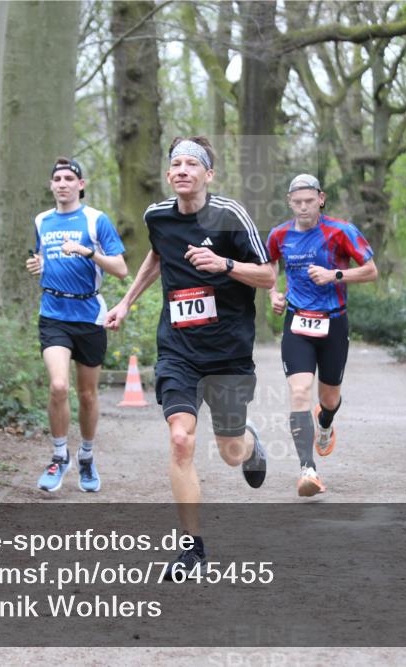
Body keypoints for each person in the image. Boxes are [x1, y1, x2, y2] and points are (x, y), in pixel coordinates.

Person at [105, 136, 274, 578]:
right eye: (174, 164)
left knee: (231, 451)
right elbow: (156, 258)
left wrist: (225, 266)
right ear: (168, 175)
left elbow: (269, 274)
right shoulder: (156, 216)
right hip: (179, 349)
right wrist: (126, 302)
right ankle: (192, 550)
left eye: (191, 163)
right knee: (181, 439)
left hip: (229, 351)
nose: (181, 170)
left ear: (208, 174)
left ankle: (251, 445)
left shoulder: (230, 216)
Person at [266, 174, 378, 497]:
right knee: (299, 391)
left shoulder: (340, 232)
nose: (303, 207)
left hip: (333, 323)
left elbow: (371, 270)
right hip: (297, 323)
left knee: (328, 398)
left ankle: (325, 421)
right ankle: (307, 468)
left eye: (309, 201)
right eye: (297, 202)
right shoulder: (279, 235)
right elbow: (268, 264)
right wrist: (273, 292)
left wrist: (335, 274)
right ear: (290, 202)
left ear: (321, 199)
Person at [27, 157, 128, 493]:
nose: (63, 183)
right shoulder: (42, 220)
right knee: (58, 386)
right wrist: (38, 264)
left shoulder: (96, 220)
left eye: (69, 178)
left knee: (86, 394)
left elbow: (121, 269)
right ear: (51, 185)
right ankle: (58, 456)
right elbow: (43, 256)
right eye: (57, 178)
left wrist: (89, 253)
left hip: (89, 315)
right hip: (53, 312)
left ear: (81, 184)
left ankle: (86, 456)